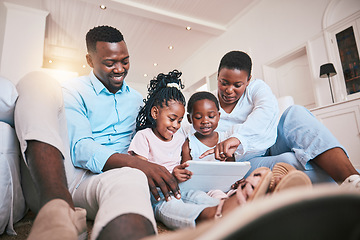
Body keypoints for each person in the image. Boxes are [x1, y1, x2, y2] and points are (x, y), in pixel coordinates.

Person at [60, 25, 190, 239]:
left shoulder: (138, 100)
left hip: (134, 173)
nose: (120, 69)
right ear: (90, 61)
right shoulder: (73, 91)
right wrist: (138, 164)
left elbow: (157, 133)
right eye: (110, 63)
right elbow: (81, 149)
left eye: (125, 61)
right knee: (131, 179)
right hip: (87, 178)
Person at [128, 70, 271, 229]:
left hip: (182, 188)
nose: (176, 125)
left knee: (202, 197)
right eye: (172, 119)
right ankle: (212, 218)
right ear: (155, 112)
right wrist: (172, 176)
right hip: (159, 194)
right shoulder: (144, 137)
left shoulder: (180, 139)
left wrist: (183, 174)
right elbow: (140, 174)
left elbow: (186, 167)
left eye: (180, 121)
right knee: (175, 208)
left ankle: (235, 205)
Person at [201, 50, 360, 189]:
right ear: (218, 77)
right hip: (247, 160)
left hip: (272, 142)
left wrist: (238, 138)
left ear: (248, 80)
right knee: (289, 160)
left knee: (295, 112)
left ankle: (353, 180)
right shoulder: (205, 103)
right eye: (224, 83)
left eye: (237, 85)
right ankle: (343, 185)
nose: (229, 90)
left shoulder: (257, 87)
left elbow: (266, 112)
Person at [181, 91, 233, 163]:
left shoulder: (225, 140)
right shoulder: (189, 145)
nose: (205, 121)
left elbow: (233, 167)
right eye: (198, 117)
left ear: (218, 116)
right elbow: (185, 171)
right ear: (189, 119)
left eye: (211, 116)